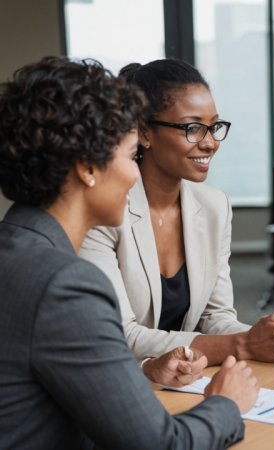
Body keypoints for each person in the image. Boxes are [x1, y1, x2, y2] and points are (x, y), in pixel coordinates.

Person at [0, 56, 258, 449]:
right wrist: (226, 403)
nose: (134, 173)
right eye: (127, 154)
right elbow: (159, 445)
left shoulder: (15, 248)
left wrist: (145, 369)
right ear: (88, 168)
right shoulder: (63, 283)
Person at [80, 59, 274, 364]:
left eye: (214, 127)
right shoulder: (105, 211)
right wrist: (244, 344)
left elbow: (216, 317)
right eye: (193, 128)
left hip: (193, 375)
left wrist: (268, 334)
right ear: (144, 132)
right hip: (126, 380)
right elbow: (123, 335)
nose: (210, 144)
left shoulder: (214, 206)